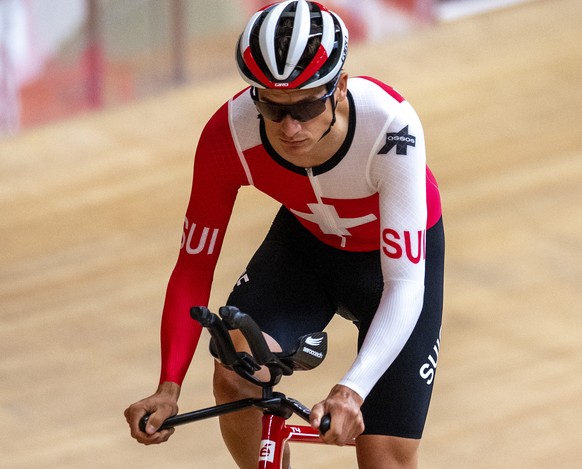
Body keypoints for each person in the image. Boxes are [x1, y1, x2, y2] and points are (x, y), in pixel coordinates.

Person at [124, 1, 444, 468]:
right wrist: (168, 385)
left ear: (340, 87)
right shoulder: (229, 134)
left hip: (391, 271)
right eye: (272, 108)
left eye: (307, 106)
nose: (290, 127)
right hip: (306, 249)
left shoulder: (391, 128)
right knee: (235, 367)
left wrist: (350, 390)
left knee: (382, 454)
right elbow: (194, 264)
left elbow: (403, 285)